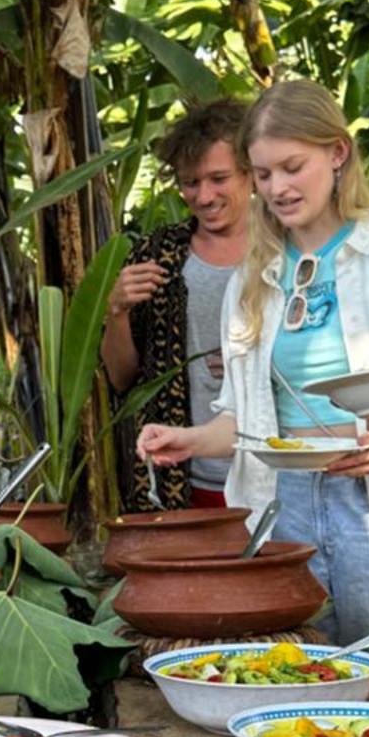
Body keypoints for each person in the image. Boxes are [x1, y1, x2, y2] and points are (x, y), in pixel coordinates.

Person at [137, 80, 369, 704]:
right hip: (284, 508)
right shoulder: (254, 279)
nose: (278, 187)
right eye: (263, 172)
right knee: (296, 696)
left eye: (293, 166)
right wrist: (188, 439)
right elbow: (245, 422)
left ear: (337, 153)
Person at [101, 100, 251, 510]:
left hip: (277, 474)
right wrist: (117, 312)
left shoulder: (291, 251)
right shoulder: (159, 255)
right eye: (190, 182)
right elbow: (120, 378)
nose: (204, 196)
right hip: (180, 479)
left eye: (219, 178)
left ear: (251, 172)